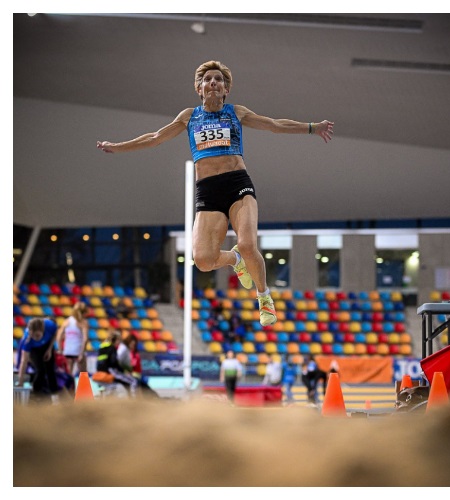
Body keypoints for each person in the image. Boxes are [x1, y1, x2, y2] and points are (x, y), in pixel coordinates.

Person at [97, 60, 333, 327]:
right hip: (208, 190)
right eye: (207, 79)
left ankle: (264, 296)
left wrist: (312, 127)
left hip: (237, 184)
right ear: (199, 88)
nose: (212, 82)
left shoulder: (236, 112)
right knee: (203, 260)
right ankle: (235, 259)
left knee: (248, 244)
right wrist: (118, 147)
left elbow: (274, 124)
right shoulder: (189, 117)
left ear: (226, 89)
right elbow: (154, 137)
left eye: (218, 79)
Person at [16, 318, 62, 403]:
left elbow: (54, 334)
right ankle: (35, 396)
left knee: (50, 370)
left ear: (43, 330)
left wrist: (49, 349)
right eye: (33, 335)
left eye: (37, 335)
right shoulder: (27, 340)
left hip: (47, 345)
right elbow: (23, 362)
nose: (35, 338)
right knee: (40, 370)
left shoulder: (50, 326)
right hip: (34, 349)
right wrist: (20, 382)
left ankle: (55, 397)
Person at [94, 330, 138, 396]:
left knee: (114, 386)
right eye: (119, 340)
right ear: (116, 340)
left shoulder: (102, 347)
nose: (120, 342)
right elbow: (113, 363)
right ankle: (134, 399)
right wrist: (123, 370)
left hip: (100, 372)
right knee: (133, 381)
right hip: (110, 372)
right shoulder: (112, 348)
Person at [56, 302, 89, 376]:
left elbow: (59, 337)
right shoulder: (83, 322)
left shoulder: (67, 321)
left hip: (68, 351)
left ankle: (70, 383)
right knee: (83, 373)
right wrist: (82, 353)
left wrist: (60, 350)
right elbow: (85, 339)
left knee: (68, 373)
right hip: (78, 350)